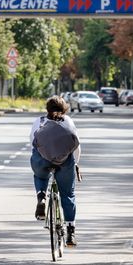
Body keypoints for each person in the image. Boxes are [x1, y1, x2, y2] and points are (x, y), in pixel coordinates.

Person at [30, 96, 82, 246]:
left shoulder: (39, 122)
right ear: (65, 109)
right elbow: (76, 146)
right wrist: (75, 164)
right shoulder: (68, 122)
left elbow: (32, 143)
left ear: (47, 109)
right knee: (68, 194)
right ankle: (70, 231)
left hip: (41, 160)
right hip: (64, 162)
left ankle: (42, 196)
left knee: (40, 175)